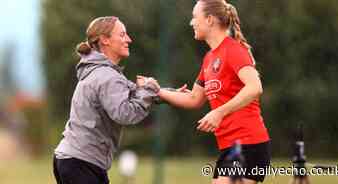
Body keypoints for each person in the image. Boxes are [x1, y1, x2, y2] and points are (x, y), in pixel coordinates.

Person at [157, 0, 271, 183]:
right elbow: (194, 98)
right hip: (230, 146)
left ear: (209, 19)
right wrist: (157, 92)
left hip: (249, 143)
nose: (191, 22)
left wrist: (219, 112)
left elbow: (255, 87)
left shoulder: (233, 49)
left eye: (195, 17)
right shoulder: (209, 58)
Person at [53, 16, 160, 184]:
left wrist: (161, 92)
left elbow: (135, 93)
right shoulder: (107, 76)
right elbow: (125, 113)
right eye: (123, 34)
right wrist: (148, 90)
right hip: (81, 163)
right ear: (105, 40)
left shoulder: (102, 72)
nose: (129, 39)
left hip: (73, 159)